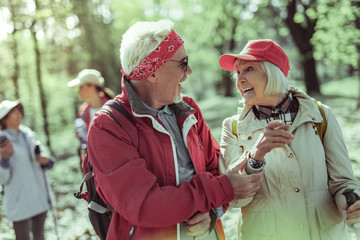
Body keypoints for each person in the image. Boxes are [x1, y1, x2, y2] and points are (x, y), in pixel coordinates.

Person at [86, 20, 264, 240]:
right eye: (183, 62)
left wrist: (212, 211)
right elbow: (143, 205)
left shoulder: (188, 109)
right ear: (152, 72)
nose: (189, 71)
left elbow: (217, 170)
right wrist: (221, 190)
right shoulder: (109, 126)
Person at [218, 39, 360, 239]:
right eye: (237, 72)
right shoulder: (232, 128)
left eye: (249, 69)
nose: (239, 79)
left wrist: (350, 201)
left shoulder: (321, 116)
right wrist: (255, 156)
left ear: (273, 71)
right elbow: (235, 199)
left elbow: (343, 183)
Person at [0, 100, 55, 240]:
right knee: (22, 237)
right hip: (19, 201)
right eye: (13, 112)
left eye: (19, 111)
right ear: (4, 118)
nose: (18, 114)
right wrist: (4, 158)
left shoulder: (28, 133)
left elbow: (47, 160)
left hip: (39, 196)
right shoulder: (1, 141)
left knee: (40, 235)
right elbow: (2, 179)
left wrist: (46, 160)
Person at [67, 69, 115, 165]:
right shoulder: (83, 112)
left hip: (116, 159)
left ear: (92, 86)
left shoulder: (113, 107)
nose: (78, 91)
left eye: (81, 87)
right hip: (96, 163)